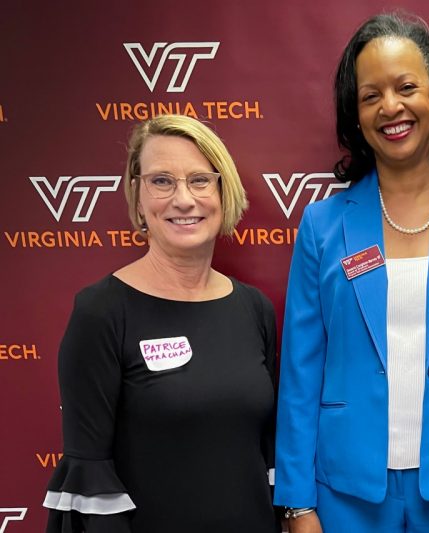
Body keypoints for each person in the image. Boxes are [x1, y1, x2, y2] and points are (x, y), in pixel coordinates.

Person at [274, 12, 429, 533]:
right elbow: (300, 378)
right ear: (357, 114)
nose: (391, 107)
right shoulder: (323, 227)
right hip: (345, 493)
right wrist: (297, 505)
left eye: (406, 87)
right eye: (371, 96)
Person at [43, 114, 278, 532]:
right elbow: (91, 480)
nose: (184, 200)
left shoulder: (254, 309)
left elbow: (270, 454)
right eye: (162, 181)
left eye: (200, 180)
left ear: (223, 191)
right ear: (137, 196)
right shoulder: (101, 312)